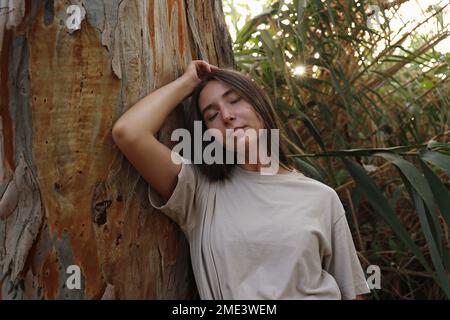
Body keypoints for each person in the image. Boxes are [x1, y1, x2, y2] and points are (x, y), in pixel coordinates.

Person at [112, 60, 371, 300]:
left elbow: (353, 292)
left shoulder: (322, 198)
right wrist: (186, 83)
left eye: (234, 100)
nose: (226, 115)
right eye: (212, 115)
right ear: (208, 134)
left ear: (259, 105)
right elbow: (129, 133)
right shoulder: (200, 191)